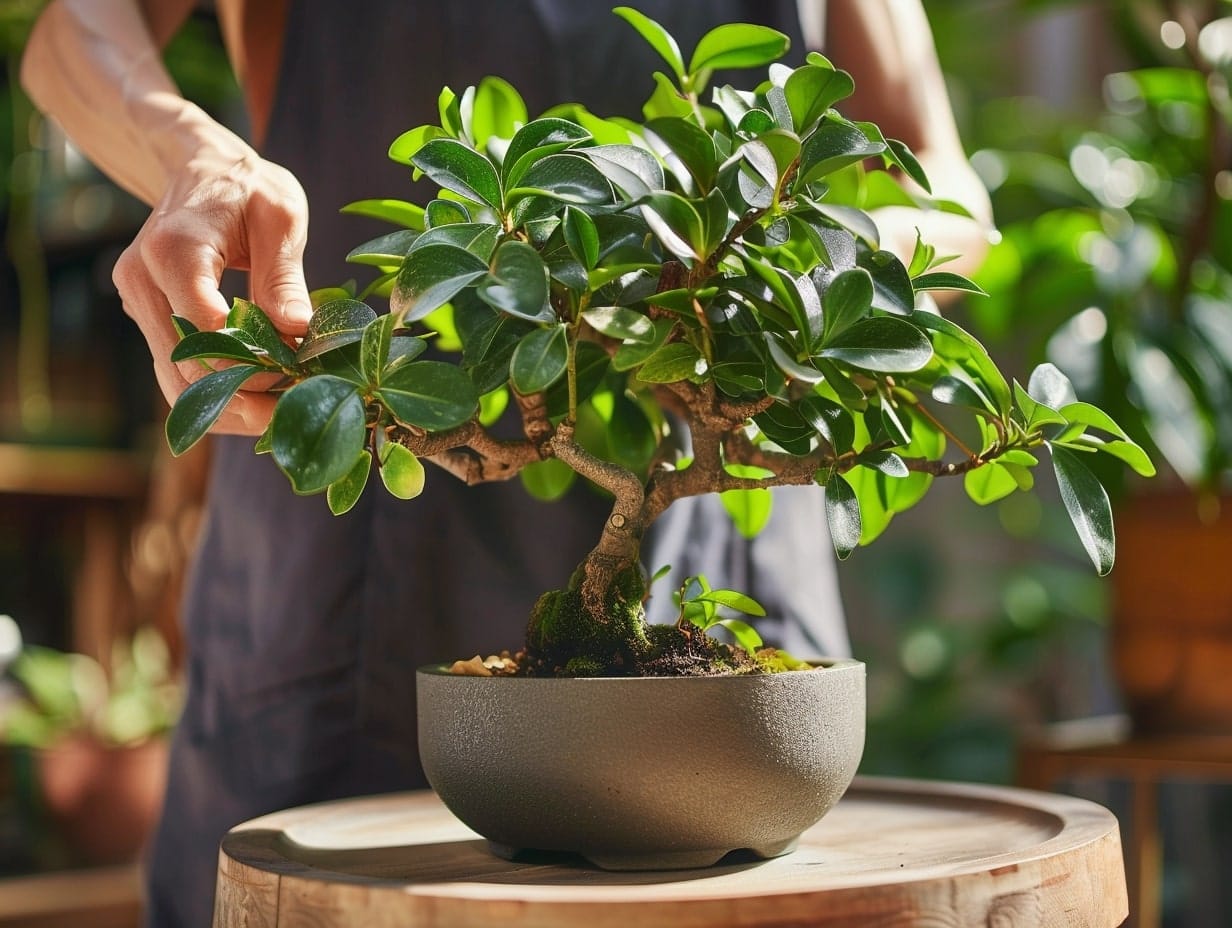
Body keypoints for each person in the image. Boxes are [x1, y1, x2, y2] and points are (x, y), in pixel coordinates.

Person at [21, 2, 992, 925]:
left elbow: (947, 193)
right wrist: (191, 156)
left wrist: (778, 287)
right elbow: (74, 29)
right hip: (350, 577)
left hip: (720, 532)